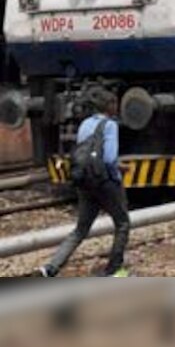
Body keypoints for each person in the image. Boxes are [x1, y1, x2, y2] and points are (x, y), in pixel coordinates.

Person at [38, 90, 130, 277]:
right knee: (122, 224)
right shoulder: (110, 125)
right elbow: (110, 159)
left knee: (80, 230)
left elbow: (83, 153)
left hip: (85, 181)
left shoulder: (85, 124)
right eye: (115, 103)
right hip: (105, 183)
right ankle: (114, 269)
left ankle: (51, 267)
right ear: (110, 105)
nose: (117, 107)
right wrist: (118, 175)